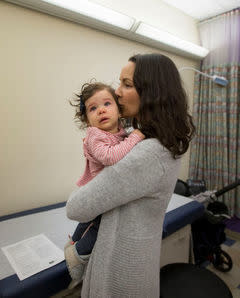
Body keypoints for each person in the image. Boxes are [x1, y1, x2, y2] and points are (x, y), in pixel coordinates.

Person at [66, 53, 195, 297]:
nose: (117, 92)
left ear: (151, 92)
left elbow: (76, 208)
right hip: (135, 261)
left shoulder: (147, 153)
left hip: (119, 273)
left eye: (127, 85)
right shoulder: (162, 140)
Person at [65, 81, 145, 287]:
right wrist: (135, 138)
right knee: (98, 224)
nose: (101, 110)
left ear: (119, 110)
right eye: (93, 108)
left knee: (86, 221)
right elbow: (109, 157)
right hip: (98, 192)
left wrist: (130, 136)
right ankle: (78, 254)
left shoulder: (120, 131)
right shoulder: (95, 135)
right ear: (87, 119)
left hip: (105, 189)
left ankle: (72, 242)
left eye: (107, 104)